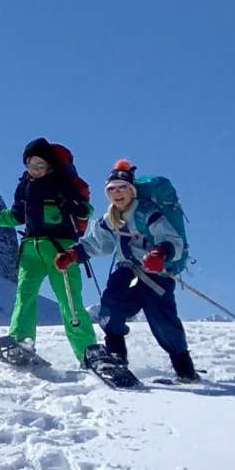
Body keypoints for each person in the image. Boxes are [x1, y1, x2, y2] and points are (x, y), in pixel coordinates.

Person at [0, 138, 99, 367]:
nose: (36, 170)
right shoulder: (25, 186)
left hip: (60, 251)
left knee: (69, 301)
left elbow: (85, 210)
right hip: (30, 251)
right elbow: (16, 216)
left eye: (41, 165)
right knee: (24, 295)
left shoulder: (62, 183)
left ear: (50, 165)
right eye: (31, 165)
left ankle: (87, 352)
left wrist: (75, 206)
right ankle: (21, 341)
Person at [80, 159, 198, 381]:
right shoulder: (111, 217)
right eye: (112, 189)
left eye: (122, 188)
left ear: (132, 191)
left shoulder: (147, 212)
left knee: (162, 321)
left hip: (156, 274)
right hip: (128, 269)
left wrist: (160, 254)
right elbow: (99, 243)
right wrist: (73, 254)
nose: (117, 193)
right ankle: (116, 356)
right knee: (111, 303)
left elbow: (171, 239)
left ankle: (185, 371)